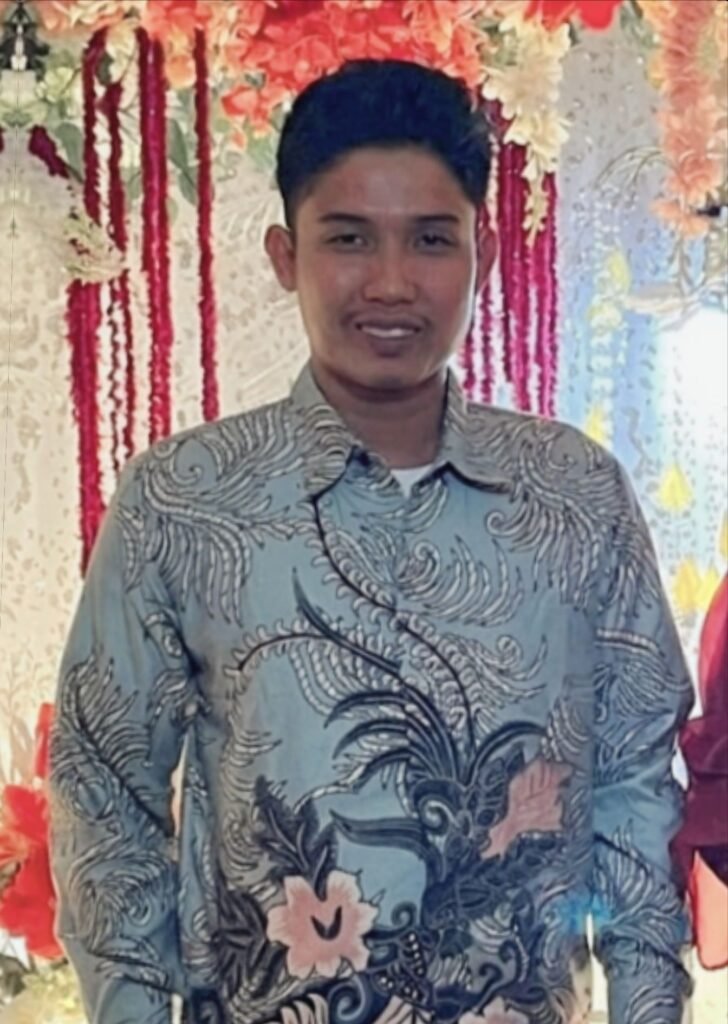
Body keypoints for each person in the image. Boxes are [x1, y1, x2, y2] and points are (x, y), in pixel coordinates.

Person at [50, 59, 694, 1024]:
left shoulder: (574, 493)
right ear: (285, 254)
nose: (391, 284)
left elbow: (634, 791)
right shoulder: (184, 502)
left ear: (481, 253)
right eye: (349, 238)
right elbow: (106, 797)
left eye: (431, 239)